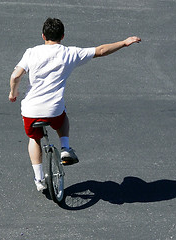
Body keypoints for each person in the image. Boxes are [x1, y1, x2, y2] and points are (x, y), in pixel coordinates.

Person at [9, 18, 141, 191]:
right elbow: (101, 51)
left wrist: (13, 93)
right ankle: (65, 147)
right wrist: (124, 43)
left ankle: (39, 179)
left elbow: (15, 76)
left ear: (43, 36)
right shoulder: (70, 53)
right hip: (53, 109)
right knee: (62, 117)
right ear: (63, 36)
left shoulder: (31, 52)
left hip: (31, 110)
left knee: (34, 139)